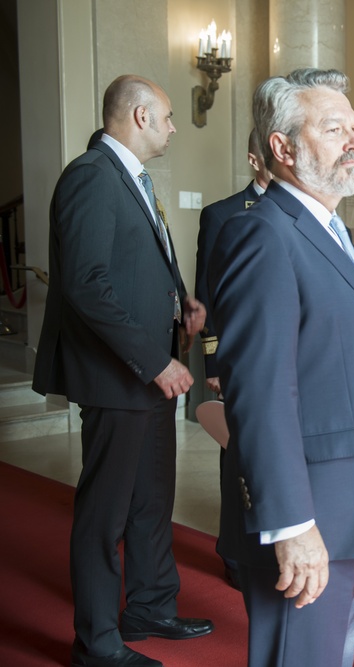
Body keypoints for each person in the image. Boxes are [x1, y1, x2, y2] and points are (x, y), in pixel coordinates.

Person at [207, 68, 354, 667]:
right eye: (334, 129)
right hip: (308, 518)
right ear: (281, 148)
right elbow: (260, 394)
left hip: (349, 504)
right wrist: (291, 525)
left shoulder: (330, 231)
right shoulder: (263, 236)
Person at [32, 74, 213, 667]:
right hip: (119, 376)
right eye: (165, 115)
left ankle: (151, 606)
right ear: (138, 116)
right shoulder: (91, 176)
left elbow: (142, 262)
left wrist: (179, 302)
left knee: (152, 498)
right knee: (104, 513)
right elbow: (88, 284)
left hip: (147, 372)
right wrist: (153, 358)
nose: (173, 125)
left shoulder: (129, 178)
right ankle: (98, 643)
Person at [195, 129, 272, 590]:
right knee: (237, 456)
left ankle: (269, 542)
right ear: (253, 159)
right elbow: (208, 294)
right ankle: (234, 551)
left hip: (283, 360)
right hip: (239, 359)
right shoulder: (222, 215)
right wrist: (215, 363)